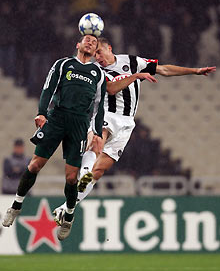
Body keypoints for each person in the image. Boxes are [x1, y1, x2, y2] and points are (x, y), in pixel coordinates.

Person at [53, 37, 216, 225]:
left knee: (99, 172)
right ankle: (85, 168)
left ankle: (66, 208)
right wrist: (136, 76)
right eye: (94, 54)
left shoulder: (131, 62)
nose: (97, 57)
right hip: (107, 114)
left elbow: (164, 69)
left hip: (127, 123)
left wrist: (194, 71)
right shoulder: (96, 71)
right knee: (99, 138)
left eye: (99, 52)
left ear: (109, 48)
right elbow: (112, 89)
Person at [1, 34, 107, 242]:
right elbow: (48, 88)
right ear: (78, 44)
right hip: (57, 117)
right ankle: (16, 205)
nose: (90, 42)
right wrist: (42, 112)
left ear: (96, 51)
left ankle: (68, 215)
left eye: (94, 42)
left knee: (71, 178)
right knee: (34, 165)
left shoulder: (98, 73)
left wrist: (95, 130)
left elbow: (99, 105)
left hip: (79, 124)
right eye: (86, 39)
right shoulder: (63, 64)